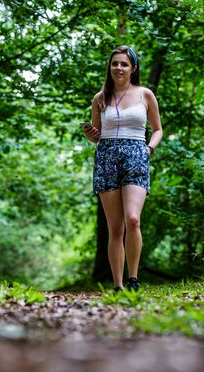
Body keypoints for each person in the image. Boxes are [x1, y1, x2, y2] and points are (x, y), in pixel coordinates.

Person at [81, 45, 163, 291]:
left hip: (137, 154)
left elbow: (158, 129)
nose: (118, 67)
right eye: (115, 63)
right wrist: (90, 134)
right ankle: (117, 284)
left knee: (133, 220)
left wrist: (149, 149)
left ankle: (133, 279)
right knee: (115, 228)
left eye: (124, 64)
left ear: (133, 68)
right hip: (107, 157)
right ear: (110, 67)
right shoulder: (100, 98)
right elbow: (97, 136)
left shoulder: (145, 94)